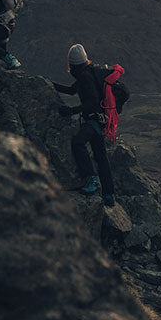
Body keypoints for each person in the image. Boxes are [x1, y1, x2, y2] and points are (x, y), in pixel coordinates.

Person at [54, 43, 124, 207]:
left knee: (78, 143)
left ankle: (92, 179)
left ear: (72, 64)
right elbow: (72, 90)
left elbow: (92, 102)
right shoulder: (89, 73)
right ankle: (108, 195)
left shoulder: (84, 76)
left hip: (94, 119)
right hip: (101, 119)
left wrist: (72, 111)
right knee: (101, 157)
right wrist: (49, 83)